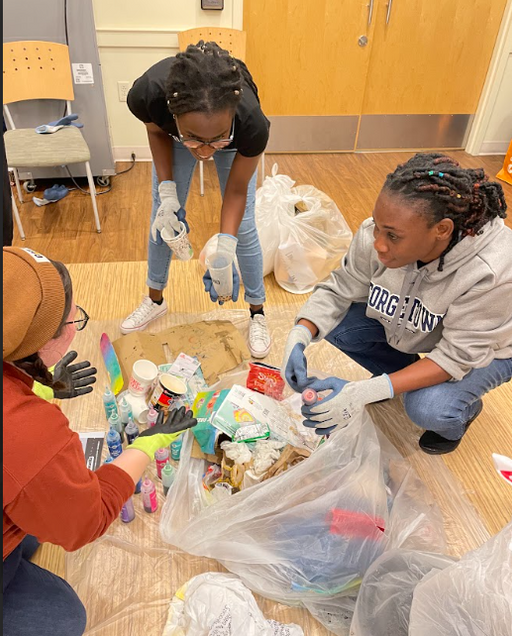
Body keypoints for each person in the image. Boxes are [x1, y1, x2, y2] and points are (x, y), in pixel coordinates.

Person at [3, 246, 197, 636]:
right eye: (75, 318)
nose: (76, 323)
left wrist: (37, 385)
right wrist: (145, 444)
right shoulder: (28, 435)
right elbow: (85, 522)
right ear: (40, 340)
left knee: (32, 530)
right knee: (62, 619)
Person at [281, 153, 512, 454]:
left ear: (441, 229)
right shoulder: (380, 235)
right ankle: (401, 375)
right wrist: (299, 336)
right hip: (435, 325)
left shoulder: (492, 271)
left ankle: (461, 412)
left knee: (427, 407)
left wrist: (364, 391)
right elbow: (340, 288)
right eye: (377, 226)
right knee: (336, 323)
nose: (377, 242)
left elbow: (456, 356)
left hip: (490, 345)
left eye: (392, 235)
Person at [122, 41, 271, 359]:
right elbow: (156, 133)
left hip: (231, 139)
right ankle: (155, 300)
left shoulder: (251, 124)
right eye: (194, 139)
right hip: (180, 135)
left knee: (242, 229)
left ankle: (257, 311)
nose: (204, 152)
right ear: (173, 114)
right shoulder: (147, 95)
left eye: (215, 139)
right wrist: (167, 192)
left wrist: (225, 247)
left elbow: (235, 191)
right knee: (164, 218)